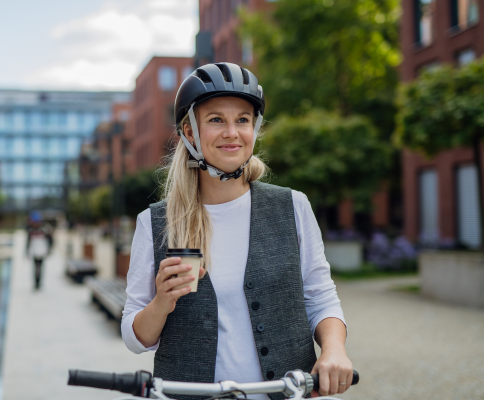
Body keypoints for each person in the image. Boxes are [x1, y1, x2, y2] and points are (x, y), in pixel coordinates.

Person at [121, 63, 352, 399]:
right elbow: (134, 337)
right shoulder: (155, 222)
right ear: (190, 133)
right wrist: (162, 301)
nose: (232, 132)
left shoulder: (293, 206)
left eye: (242, 120)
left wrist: (333, 350)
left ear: (254, 128)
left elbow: (320, 297)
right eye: (216, 120)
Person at [26, 212, 53, 290]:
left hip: (42, 252)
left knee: (40, 268)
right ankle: (36, 283)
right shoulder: (31, 232)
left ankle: (39, 282)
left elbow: (50, 241)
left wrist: (49, 250)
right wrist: (27, 252)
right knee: (36, 268)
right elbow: (28, 243)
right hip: (35, 252)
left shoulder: (44, 231)